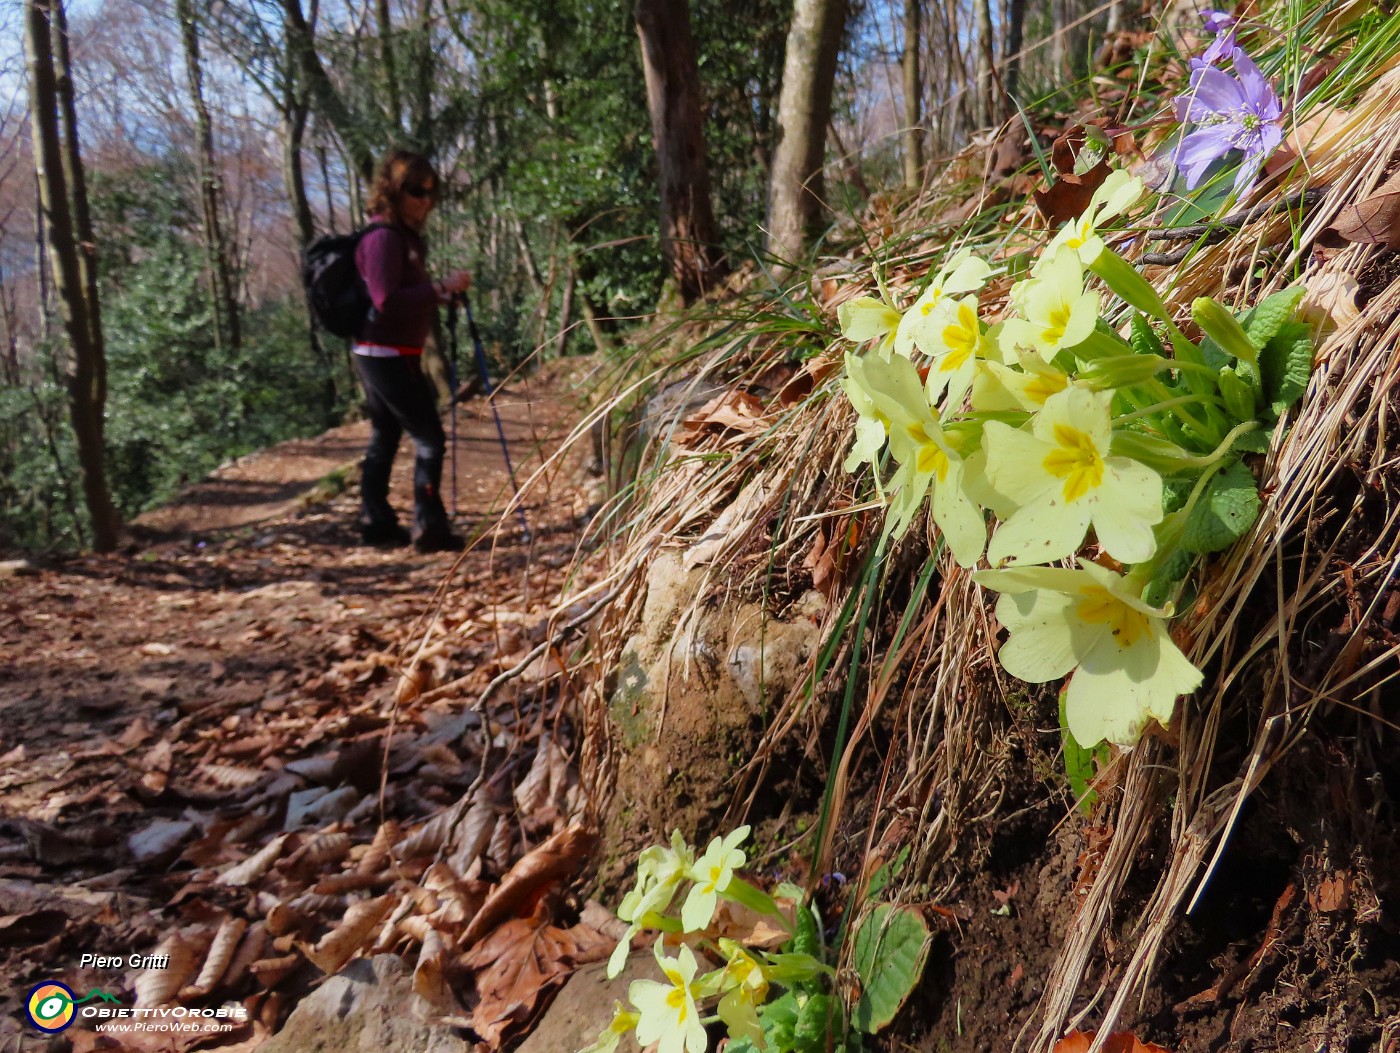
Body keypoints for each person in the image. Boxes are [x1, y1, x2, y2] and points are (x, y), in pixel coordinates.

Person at [352, 150, 471, 552]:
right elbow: (386, 300)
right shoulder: (384, 238)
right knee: (430, 439)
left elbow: (404, 295)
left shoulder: (401, 236)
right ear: (393, 191)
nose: (425, 200)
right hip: (386, 354)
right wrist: (441, 288)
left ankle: (377, 523)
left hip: (384, 351)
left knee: (385, 434)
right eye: (416, 191)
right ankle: (429, 529)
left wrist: (441, 297)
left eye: (431, 192)